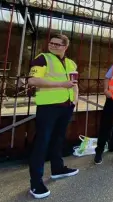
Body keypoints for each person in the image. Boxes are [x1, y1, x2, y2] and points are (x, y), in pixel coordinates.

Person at [27, 34, 79, 199]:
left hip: (66, 106)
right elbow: (33, 81)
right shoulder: (42, 58)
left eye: (58, 44)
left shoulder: (71, 63)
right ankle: (36, 182)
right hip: (48, 107)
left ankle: (57, 169)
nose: (54, 46)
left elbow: (74, 83)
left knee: (58, 139)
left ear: (65, 46)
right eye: (51, 43)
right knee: (41, 143)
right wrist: (61, 85)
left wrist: (75, 100)